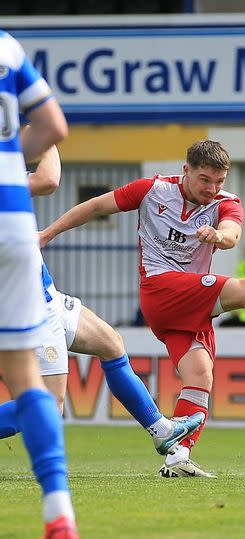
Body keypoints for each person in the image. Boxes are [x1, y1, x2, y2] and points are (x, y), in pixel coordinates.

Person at [39, 140, 245, 478]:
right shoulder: (152, 190)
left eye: (219, 181)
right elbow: (97, 207)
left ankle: (177, 457)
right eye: (205, 180)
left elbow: (233, 233)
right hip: (159, 290)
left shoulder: (226, 203)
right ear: (186, 170)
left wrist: (219, 235)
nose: (213, 189)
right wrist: (48, 234)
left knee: (200, 376)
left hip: (186, 306)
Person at [0, 145, 205, 458]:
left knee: (111, 343)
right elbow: (49, 179)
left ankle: (160, 429)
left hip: (46, 295)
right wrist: (46, 137)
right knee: (48, 406)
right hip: (27, 305)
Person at [0, 29, 78, 538]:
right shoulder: (7, 48)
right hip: (13, 226)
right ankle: (59, 513)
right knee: (27, 379)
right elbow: (53, 125)